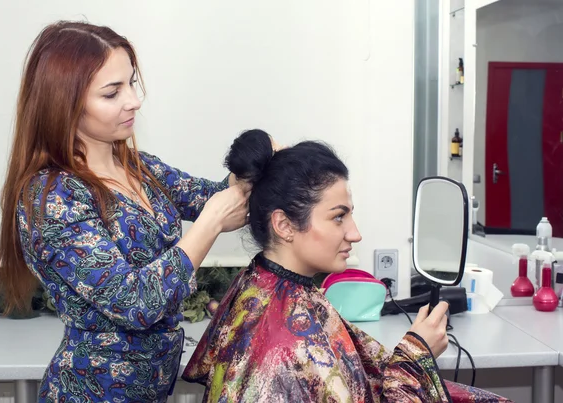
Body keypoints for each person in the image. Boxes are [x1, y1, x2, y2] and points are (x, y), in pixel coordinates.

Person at [0, 21, 260, 402]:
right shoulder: (52, 196)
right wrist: (211, 223)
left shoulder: (140, 167)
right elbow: (135, 302)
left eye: (131, 83)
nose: (133, 100)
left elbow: (221, 198)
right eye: (112, 92)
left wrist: (262, 158)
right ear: (63, 103)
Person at [182, 130, 512, 402]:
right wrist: (415, 355)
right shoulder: (285, 348)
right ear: (283, 225)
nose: (355, 233)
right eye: (339, 216)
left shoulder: (268, 285)